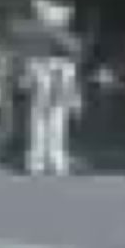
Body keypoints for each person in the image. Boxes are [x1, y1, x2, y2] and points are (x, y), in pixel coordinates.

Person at [27, 39, 81, 175]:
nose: (55, 60)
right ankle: (38, 164)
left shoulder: (68, 68)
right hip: (41, 103)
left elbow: (72, 87)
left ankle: (55, 162)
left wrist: (75, 103)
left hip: (57, 105)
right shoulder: (36, 65)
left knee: (56, 134)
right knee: (40, 134)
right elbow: (28, 84)